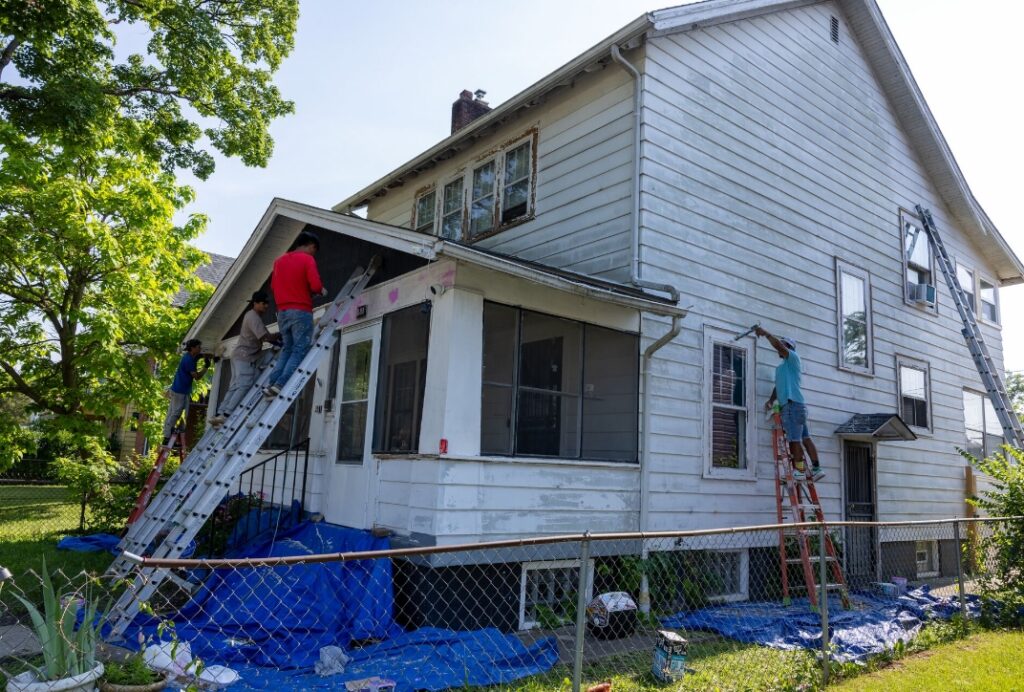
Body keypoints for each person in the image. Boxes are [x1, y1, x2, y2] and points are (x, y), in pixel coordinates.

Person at [263, 231, 327, 397]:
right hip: (300, 310)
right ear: (311, 245)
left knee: (287, 348)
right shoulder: (307, 259)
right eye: (315, 250)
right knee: (300, 349)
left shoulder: (279, 261)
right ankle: (280, 384)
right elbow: (314, 285)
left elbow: (274, 287)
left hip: (282, 312)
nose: (314, 254)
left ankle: (273, 383)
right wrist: (321, 290)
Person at [755, 326, 823, 481]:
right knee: (805, 437)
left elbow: (778, 345)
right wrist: (771, 400)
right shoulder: (781, 369)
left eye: (784, 345)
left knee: (794, 439)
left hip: (793, 406)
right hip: (796, 406)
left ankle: (798, 470)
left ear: (790, 348)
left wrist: (766, 333)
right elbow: (777, 386)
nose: (780, 347)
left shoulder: (793, 358)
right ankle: (817, 468)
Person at [210, 291, 281, 426]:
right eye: (263, 303)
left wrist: (276, 338)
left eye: (267, 303)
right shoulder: (253, 317)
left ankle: (220, 413)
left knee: (235, 386)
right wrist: (282, 335)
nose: (266, 306)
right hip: (245, 357)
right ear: (255, 303)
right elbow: (265, 337)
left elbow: (265, 335)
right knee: (244, 385)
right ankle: (226, 415)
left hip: (241, 356)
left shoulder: (252, 317)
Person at [161, 339, 210, 446]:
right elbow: (197, 377)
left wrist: (205, 356)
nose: (200, 349)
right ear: (192, 348)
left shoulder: (190, 357)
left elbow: (199, 356)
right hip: (180, 391)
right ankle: (167, 437)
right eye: (198, 347)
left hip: (180, 390)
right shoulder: (188, 360)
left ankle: (168, 434)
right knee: (176, 413)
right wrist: (206, 367)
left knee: (175, 413)